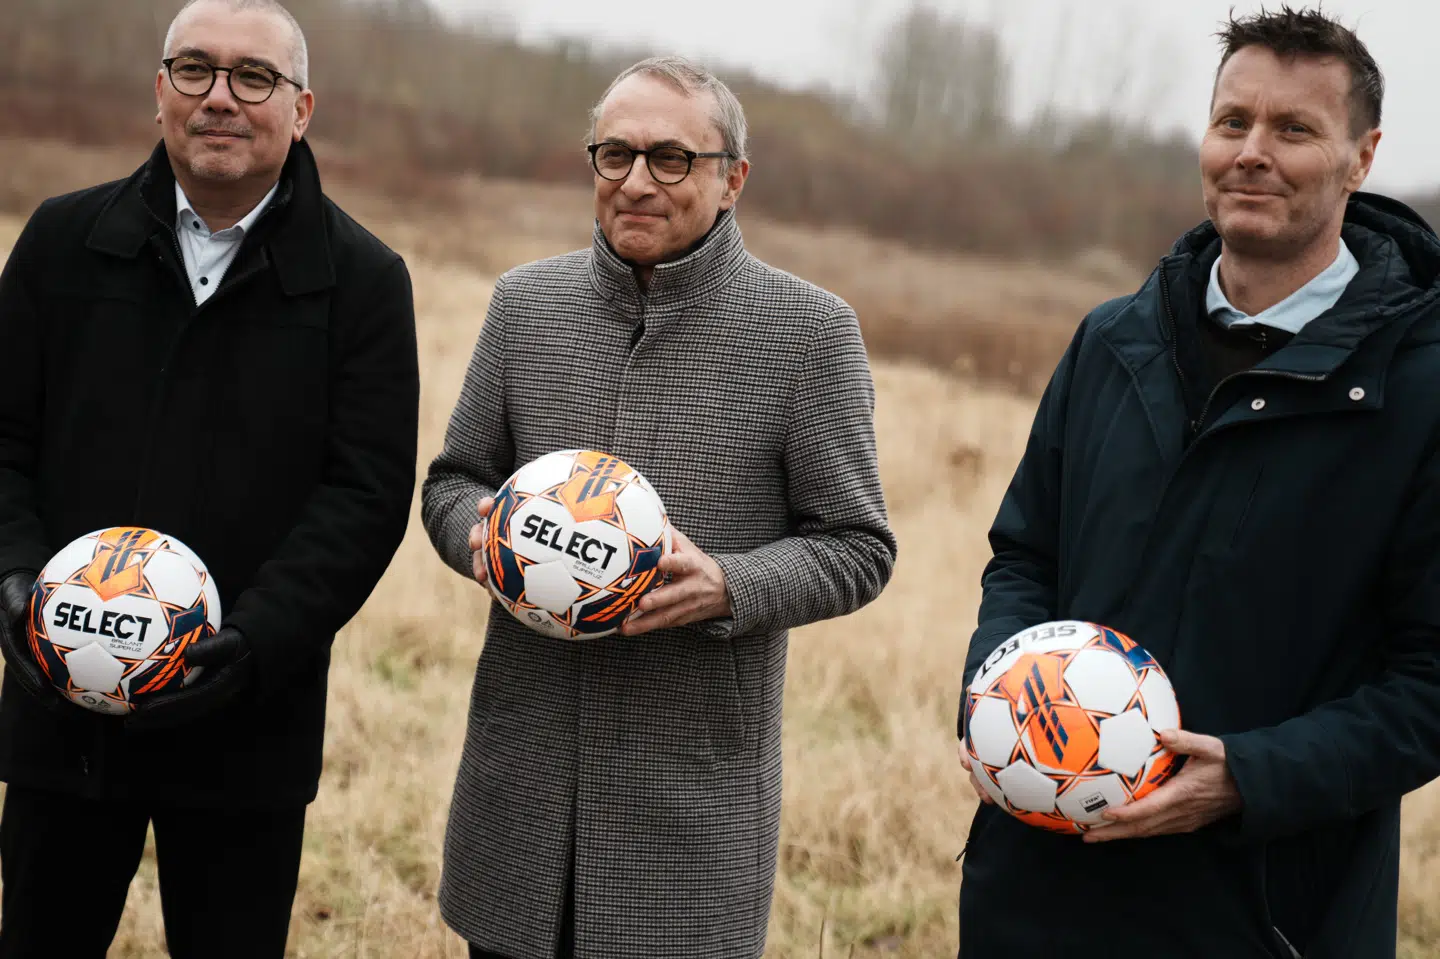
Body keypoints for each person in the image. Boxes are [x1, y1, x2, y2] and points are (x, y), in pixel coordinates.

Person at [956, 7, 1440, 958]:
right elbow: (1025, 554)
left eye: (1294, 130)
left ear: (1362, 155)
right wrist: (1000, 698)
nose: (1252, 152)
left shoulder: (1421, 386)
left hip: (1262, 913)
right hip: (1038, 893)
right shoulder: (1112, 340)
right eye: (1233, 123)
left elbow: (1429, 680)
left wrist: (1251, 777)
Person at [422, 55, 896, 959]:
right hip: (515, 789)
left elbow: (858, 545)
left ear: (732, 180)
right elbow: (452, 480)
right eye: (615, 154)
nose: (637, 181)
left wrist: (729, 584)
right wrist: (480, 536)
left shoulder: (810, 333)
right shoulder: (525, 304)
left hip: (690, 807)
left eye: (672, 159)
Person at [0, 0, 419, 955]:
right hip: (62, 710)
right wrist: (13, 585)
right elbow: (2, 441)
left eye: (254, 77)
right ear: (159, 92)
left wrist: (255, 643)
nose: (219, 97)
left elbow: (364, 497)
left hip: (246, 733)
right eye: (194, 70)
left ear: (302, 109)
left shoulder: (362, 281)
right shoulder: (62, 243)